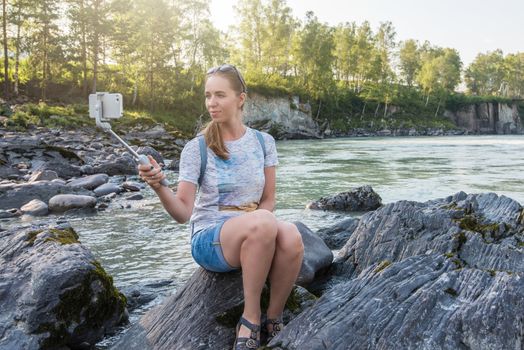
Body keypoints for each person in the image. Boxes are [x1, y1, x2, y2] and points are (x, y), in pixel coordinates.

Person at [138, 64, 304, 349]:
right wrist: (159, 187)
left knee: (291, 235)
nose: (211, 103)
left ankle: (273, 318)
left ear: (240, 98)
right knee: (265, 222)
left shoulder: (264, 143)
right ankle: (250, 318)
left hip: (255, 231)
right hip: (210, 240)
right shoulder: (197, 148)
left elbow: (269, 199)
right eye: (207, 96)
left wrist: (262, 226)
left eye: (220, 95)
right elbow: (182, 213)